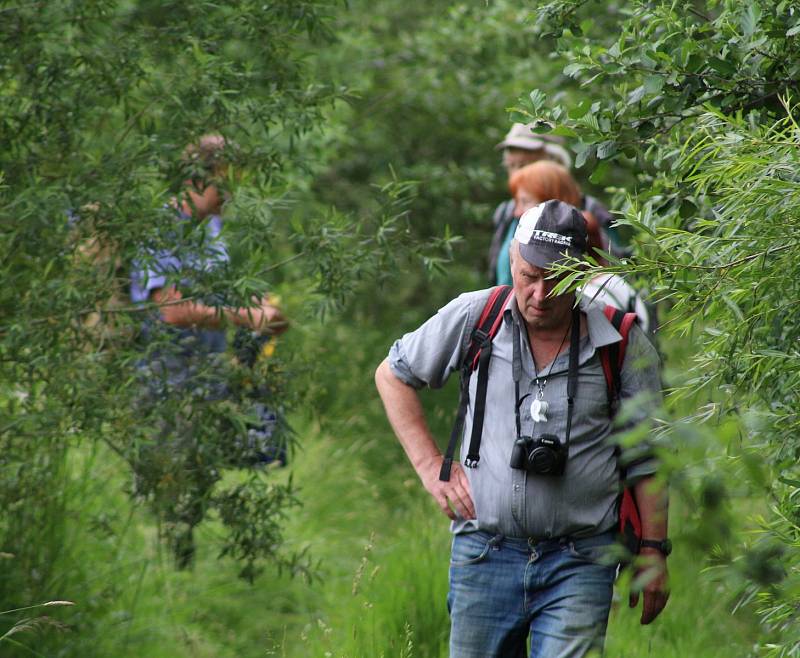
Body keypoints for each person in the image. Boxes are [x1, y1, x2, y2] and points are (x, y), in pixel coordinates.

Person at [375, 199, 669, 657]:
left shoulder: (622, 343)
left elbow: (647, 457)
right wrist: (430, 464)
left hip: (581, 559)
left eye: (555, 281)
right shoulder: (476, 317)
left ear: (584, 273)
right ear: (513, 259)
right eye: (529, 276)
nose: (539, 294)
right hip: (484, 555)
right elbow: (393, 374)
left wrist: (653, 549)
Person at [130, 134, 288, 567]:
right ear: (203, 176)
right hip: (166, 376)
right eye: (226, 182)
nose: (232, 193)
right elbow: (170, 310)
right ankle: (150, 565)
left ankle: (181, 575)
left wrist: (256, 314)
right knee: (164, 475)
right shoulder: (161, 226)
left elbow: (212, 300)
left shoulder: (211, 229)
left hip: (205, 374)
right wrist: (244, 315)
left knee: (198, 474)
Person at [500, 160, 652, 331]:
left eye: (525, 201)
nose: (516, 211)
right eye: (529, 275)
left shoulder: (593, 297)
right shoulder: (518, 232)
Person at [488, 123, 620, 284]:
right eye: (511, 166)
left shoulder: (590, 214)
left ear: (555, 162)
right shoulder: (508, 212)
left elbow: (613, 275)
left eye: (524, 165)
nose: (516, 173)